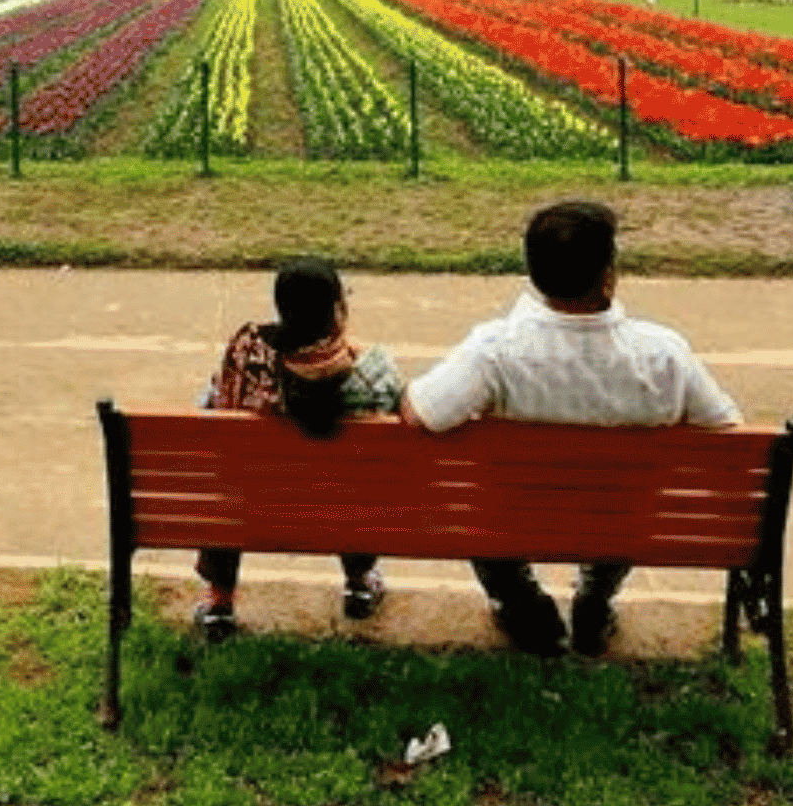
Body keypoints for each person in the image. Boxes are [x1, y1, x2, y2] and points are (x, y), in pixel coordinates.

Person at [401, 200, 741, 658]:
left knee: (483, 509)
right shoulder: (663, 355)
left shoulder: (495, 350)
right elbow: (727, 435)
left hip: (514, 519)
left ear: (534, 274)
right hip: (619, 524)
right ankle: (595, 599)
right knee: (624, 506)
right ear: (609, 276)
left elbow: (420, 414)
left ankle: (521, 604)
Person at [193, 256, 405, 639]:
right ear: (338, 308)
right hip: (339, 509)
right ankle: (359, 582)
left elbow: (216, 409)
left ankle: (219, 600)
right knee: (355, 483)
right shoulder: (371, 374)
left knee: (229, 467)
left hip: (253, 504)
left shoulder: (246, 352)